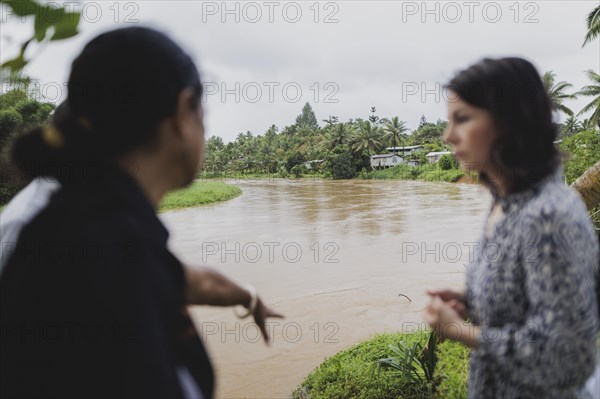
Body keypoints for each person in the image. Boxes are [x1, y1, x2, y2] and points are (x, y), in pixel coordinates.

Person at [0, 27, 281, 399]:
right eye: (203, 111)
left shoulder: (94, 223)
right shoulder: (105, 252)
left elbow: (189, 279)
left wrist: (248, 297)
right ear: (183, 113)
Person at [423, 57, 600, 398]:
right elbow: (526, 300)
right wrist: (470, 299)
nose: (448, 136)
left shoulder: (549, 216)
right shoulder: (504, 203)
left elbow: (565, 358)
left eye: (462, 119)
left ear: (509, 122)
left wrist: (458, 330)